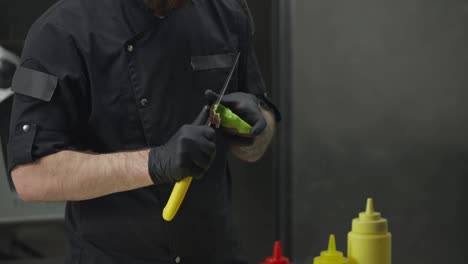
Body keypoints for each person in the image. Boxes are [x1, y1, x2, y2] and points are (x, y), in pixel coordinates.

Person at [8, 0, 280, 263]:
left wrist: (253, 130)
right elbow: (31, 177)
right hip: (112, 256)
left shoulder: (227, 11)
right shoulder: (58, 31)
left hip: (217, 252)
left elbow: (257, 143)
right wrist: (155, 163)